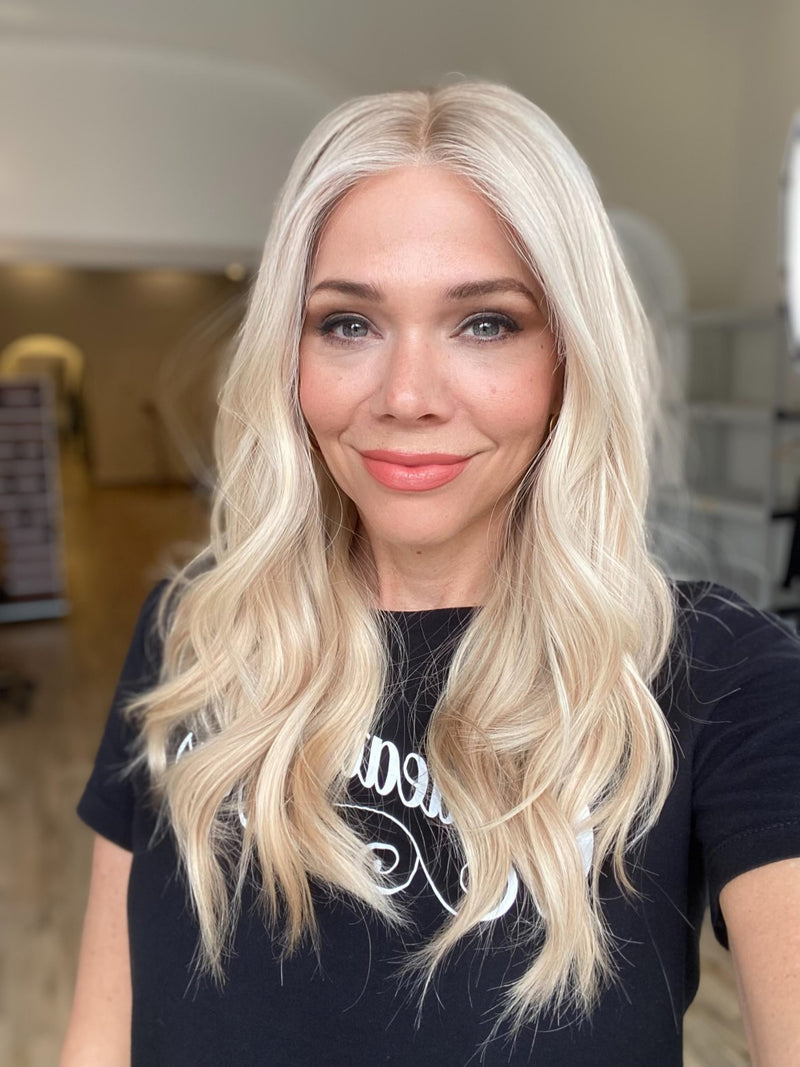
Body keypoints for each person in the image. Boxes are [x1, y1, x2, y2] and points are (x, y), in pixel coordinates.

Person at [61, 82, 800, 1067]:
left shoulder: (719, 677)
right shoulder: (193, 635)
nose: (406, 396)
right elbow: (98, 1039)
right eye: (348, 324)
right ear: (289, 356)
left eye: (485, 322)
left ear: (570, 357)